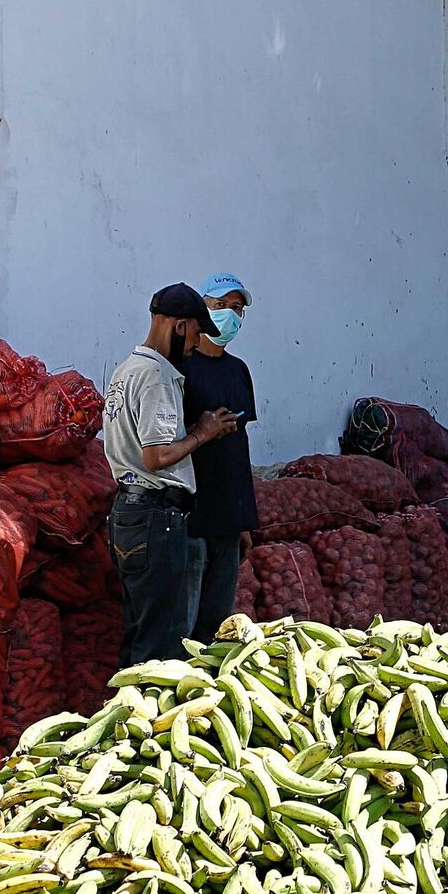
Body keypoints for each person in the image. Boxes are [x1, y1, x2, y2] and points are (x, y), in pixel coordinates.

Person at [102, 283, 240, 666]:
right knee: (163, 646)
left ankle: (124, 714)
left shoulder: (126, 370)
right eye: (196, 334)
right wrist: (203, 432)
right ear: (179, 327)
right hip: (156, 517)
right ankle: (146, 722)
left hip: (128, 514)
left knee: (140, 631)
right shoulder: (158, 376)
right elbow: (157, 455)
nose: (197, 346)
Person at [183, 273, 259, 640]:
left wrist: (243, 516)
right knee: (184, 620)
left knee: (216, 619)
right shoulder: (180, 368)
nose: (230, 315)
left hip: (227, 514)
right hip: (189, 513)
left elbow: (239, 446)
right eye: (220, 306)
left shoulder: (238, 371)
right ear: (202, 309)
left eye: (237, 309)